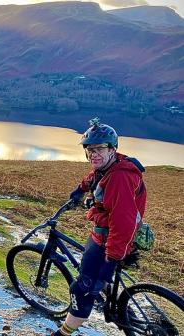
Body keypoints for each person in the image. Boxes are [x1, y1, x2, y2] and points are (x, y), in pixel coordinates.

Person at [51, 118, 147, 336]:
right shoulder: (110, 166)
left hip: (110, 241)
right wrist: (79, 189)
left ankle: (62, 333)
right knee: (97, 280)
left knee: (82, 289)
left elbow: (122, 224)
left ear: (112, 149)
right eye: (89, 150)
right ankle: (124, 314)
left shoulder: (120, 178)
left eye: (99, 149)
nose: (93, 154)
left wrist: (109, 265)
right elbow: (94, 177)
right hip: (102, 236)